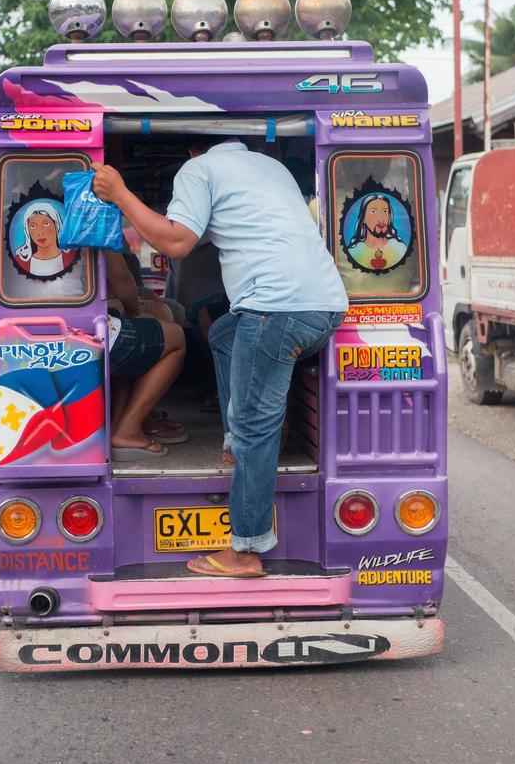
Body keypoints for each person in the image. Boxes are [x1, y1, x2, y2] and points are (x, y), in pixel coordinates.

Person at [92, 137, 348, 577]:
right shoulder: (271, 168)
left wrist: (120, 194)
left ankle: (246, 549)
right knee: (226, 333)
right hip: (323, 306)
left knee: (255, 423)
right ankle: (237, 446)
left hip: (276, 308)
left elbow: (175, 243)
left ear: (192, 148)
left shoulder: (199, 170)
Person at [105, 252, 187, 460]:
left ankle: (119, 424)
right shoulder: (90, 219)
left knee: (133, 333)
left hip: (33, 337)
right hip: (89, 333)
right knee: (175, 337)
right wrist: (133, 308)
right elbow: (120, 276)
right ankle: (128, 429)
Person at [14, 202, 76, 276]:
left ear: (57, 226)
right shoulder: (21, 261)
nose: (40, 232)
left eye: (46, 224)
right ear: (27, 231)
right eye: (33, 226)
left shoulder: (71, 256)